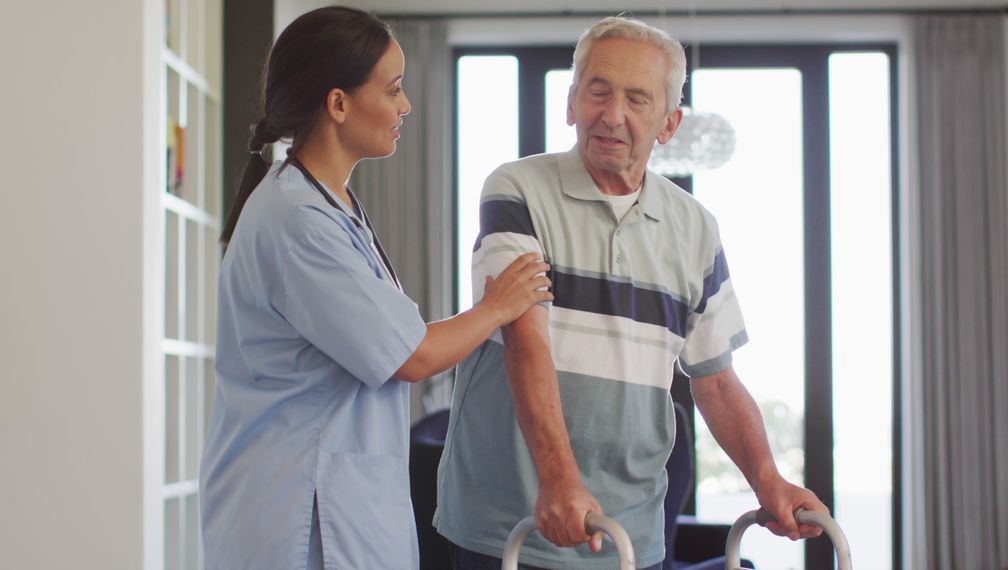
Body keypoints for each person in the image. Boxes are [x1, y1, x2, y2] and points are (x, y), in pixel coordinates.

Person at [434, 16, 827, 570]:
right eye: (598, 91)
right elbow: (527, 342)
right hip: (509, 526)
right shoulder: (516, 189)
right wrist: (559, 482)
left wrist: (769, 482)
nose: (612, 115)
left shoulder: (695, 229)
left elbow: (714, 380)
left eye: (637, 99)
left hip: (630, 532)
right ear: (571, 103)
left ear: (668, 125)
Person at [198, 7, 552, 570]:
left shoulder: (327, 204)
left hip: (337, 500)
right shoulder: (298, 220)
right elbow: (411, 355)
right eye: (392, 90)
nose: (404, 106)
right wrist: (496, 307)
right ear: (338, 104)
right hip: (299, 513)